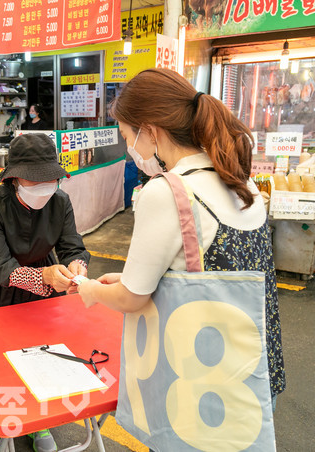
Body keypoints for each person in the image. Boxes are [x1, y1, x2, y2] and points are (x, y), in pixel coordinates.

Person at [77, 68, 285, 408]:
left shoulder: (168, 192)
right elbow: (208, 272)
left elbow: (132, 299)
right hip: (256, 377)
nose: (129, 147)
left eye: (128, 136)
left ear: (152, 132)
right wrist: (127, 278)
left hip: (206, 391)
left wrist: (92, 290)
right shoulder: (240, 181)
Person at [0, 133, 90, 452]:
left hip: (44, 283)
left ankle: (40, 422)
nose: (44, 187)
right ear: (14, 179)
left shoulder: (60, 201)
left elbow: (72, 246)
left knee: (42, 352)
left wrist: (77, 266)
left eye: (50, 180)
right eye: (34, 180)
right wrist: (44, 275)